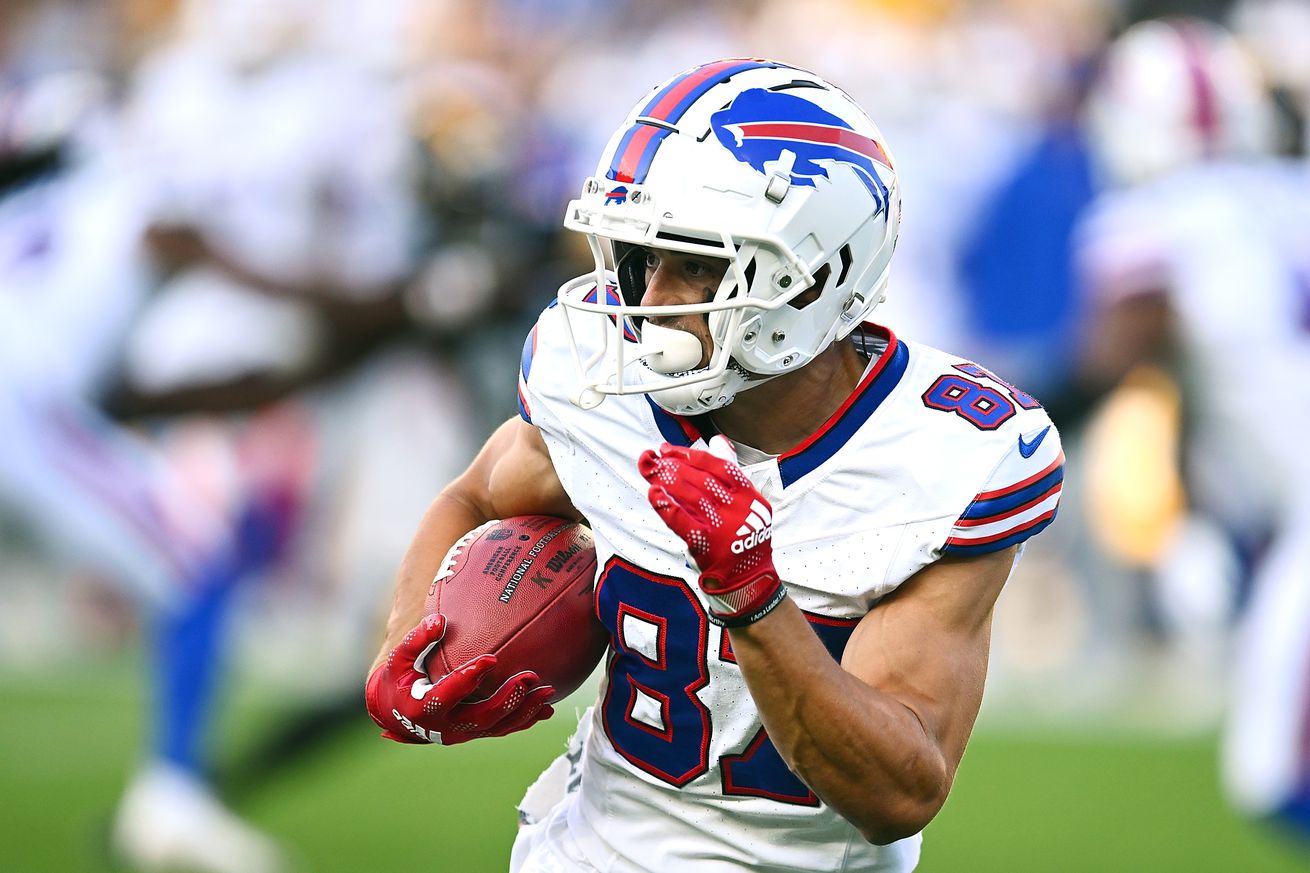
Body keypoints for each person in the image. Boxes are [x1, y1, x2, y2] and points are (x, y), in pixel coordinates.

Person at [366, 59, 1064, 872]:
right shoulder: (601, 377)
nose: (653, 300)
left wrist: (752, 595)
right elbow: (477, 493)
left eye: (696, 263)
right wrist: (404, 645)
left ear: (814, 277)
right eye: (640, 258)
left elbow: (895, 794)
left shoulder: (945, 453)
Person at [1073, 17, 1310, 842]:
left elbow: (1107, 366)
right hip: (1290, 514)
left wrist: (965, 407)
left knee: (1275, 775)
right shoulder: (1292, 192)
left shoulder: (1148, 222)